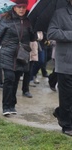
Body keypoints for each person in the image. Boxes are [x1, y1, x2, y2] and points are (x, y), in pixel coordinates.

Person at [0, 0, 36, 116]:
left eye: (23, 7)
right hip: (7, 52)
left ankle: (12, 104)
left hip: (21, 55)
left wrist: (34, 29)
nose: (21, 9)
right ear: (14, 7)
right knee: (9, 78)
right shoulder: (6, 19)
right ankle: (6, 106)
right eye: (19, 7)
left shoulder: (29, 20)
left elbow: (33, 38)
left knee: (16, 79)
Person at [47, 0, 72, 136]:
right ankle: (67, 125)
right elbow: (51, 33)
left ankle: (60, 112)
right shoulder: (60, 14)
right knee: (66, 96)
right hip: (66, 63)